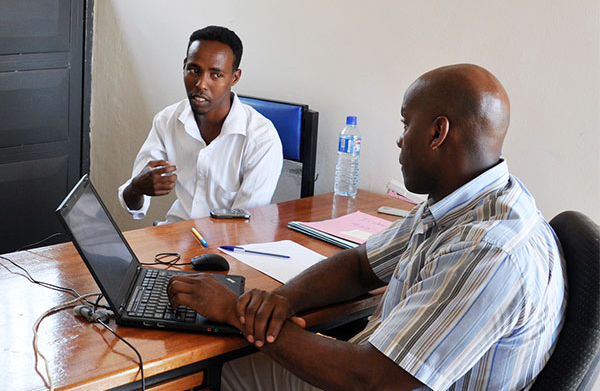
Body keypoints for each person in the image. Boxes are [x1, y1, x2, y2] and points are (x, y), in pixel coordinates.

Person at [168, 64, 566, 390]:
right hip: (369, 366)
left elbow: (369, 380)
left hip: (368, 379)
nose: (398, 140)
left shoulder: (490, 252)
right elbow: (362, 264)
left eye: (406, 124)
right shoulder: (466, 201)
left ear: (437, 133)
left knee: (206, 376)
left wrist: (236, 311)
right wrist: (281, 301)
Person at [118, 26, 283, 223]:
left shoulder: (262, 138)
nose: (201, 84)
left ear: (234, 77)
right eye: (194, 70)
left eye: (216, 75)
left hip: (228, 246)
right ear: (184, 66)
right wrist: (136, 188)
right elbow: (134, 207)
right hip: (176, 236)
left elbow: (244, 226)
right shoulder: (167, 120)